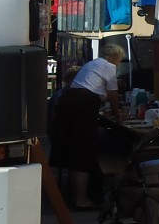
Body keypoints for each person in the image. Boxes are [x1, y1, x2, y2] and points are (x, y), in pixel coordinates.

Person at [50, 43, 126, 210]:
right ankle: (81, 199)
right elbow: (113, 95)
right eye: (120, 60)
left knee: (76, 151)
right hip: (82, 107)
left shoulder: (93, 64)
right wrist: (117, 113)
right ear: (115, 58)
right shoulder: (109, 66)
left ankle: (76, 194)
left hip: (70, 105)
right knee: (83, 153)